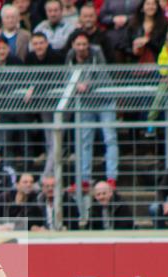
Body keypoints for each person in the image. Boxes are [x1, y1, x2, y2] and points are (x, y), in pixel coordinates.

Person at [67, 30, 119, 191]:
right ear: (73, 45)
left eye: (84, 44)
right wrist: (75, 86)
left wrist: (87, 85)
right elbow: (65, 77)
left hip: (105, 100)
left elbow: (102, 76)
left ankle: (111, 177)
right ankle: (84, 179)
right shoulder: (70, 57)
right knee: (84, 141)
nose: (82, 48)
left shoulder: (97, 53)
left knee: (109, 138)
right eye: (78, 44)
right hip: (85, 103)